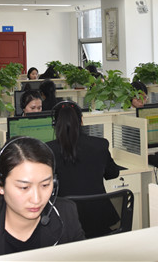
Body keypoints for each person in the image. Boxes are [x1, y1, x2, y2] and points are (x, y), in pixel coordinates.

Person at [46, 101, 121, 237]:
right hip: (99, 220)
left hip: (66, 221)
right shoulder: (100, 145)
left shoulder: (48, 150)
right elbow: (113, 173)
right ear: (81, 121)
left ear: (55, 124)